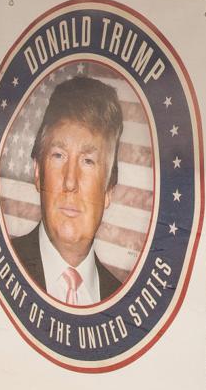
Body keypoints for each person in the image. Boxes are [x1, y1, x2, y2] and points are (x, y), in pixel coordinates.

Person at [10, 76, 125, 305]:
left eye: (88, 161)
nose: (70, 182)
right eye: (59, 156)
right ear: (37, 172)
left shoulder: (122, 300)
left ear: (109, 190)